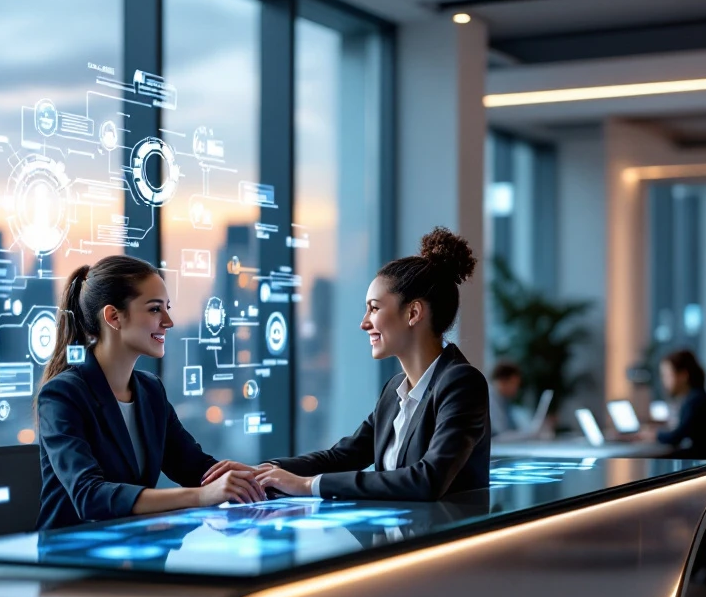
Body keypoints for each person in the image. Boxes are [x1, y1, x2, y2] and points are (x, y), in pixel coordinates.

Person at [204, 227, 490, 501]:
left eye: (374, 308)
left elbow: (427, 480)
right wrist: (263, 471)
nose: (364, 323)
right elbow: (344, 456)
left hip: (444, 545)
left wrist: (306, 486)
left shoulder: (462, 383)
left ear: (413, 312)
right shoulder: (395, 390)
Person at [35, 256, 263, 531]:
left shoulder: (150, 390)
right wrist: (203, 496)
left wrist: (259, 479)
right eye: (155, 309)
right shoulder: (63, 395)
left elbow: (195, 468)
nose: (168, 321)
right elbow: (90, 496)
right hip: (74, 558)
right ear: (113, 317)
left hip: (134, 548)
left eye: (167, 308)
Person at [656, 349, 706, 459]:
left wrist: (655, 435)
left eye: (667, 375)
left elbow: (677, 437)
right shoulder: (697, 397)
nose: (664, 381)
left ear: (683, 376)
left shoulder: (695, 401)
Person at [489, 361, 523, 436]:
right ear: (503, 381)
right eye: (514, 383)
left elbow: (513, 428)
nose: (516, 388)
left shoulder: (504, 401)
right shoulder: (489, 401)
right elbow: (499, 435)